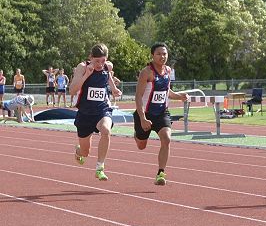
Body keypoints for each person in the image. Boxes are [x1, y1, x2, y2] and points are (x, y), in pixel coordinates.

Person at [134, 42, 188, 186]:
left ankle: (160, 173)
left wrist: (179, 96)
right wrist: (142, 118)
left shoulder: (168, 71)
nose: (162, 56)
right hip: (145, 114)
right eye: (159, 54)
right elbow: (138, 96)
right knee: (141, 145)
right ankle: (137, 135)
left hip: (162, 113)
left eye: (164, 54)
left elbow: (167, 92)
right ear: (152, 55)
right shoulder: (147, 72)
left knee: (167, 139)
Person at [69, 43, 122, 181]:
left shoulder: (107, 66)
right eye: (96, 61)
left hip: (102, 110)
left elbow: (108, 79)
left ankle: (100, 167)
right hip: (85, 114)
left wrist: (114, 90)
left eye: (103, 61)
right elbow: (72, 90)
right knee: (85, 153)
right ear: (90, 57)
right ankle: (78, 150)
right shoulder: (82, 67)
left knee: (106, 130)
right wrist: (87, 74)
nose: (100, 64)